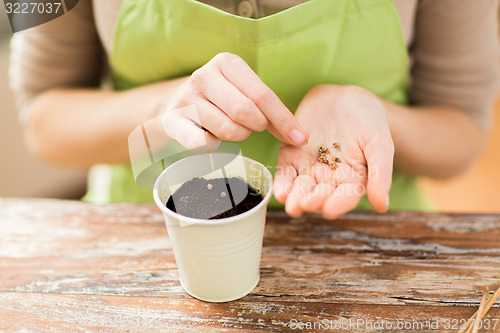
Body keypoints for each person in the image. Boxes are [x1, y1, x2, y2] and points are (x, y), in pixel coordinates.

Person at [9, 0, 500, 218]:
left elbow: (461, 130)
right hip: (144, 245)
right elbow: (42, 117)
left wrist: (374, 113)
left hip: (367, 242)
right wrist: (163, 106)